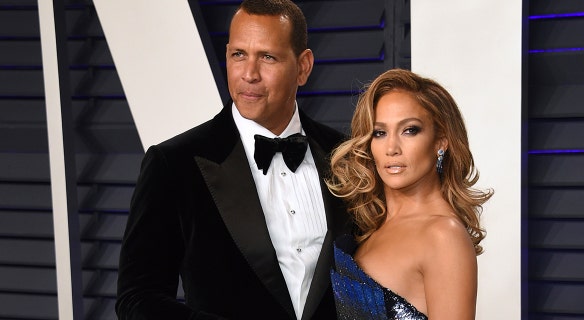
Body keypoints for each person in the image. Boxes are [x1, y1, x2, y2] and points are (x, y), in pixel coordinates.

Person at [115, 1, 350, 319]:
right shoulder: (172, 164)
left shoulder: (346, 156)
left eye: (267, 57)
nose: (249, 74)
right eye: (239, 55)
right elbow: (137, 298)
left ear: (303, 67)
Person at [326, 68, 493, 319]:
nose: (392, 148)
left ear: (441, 141)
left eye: (410, 130)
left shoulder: (443, 235)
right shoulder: (371, 225)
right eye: (380, 133)